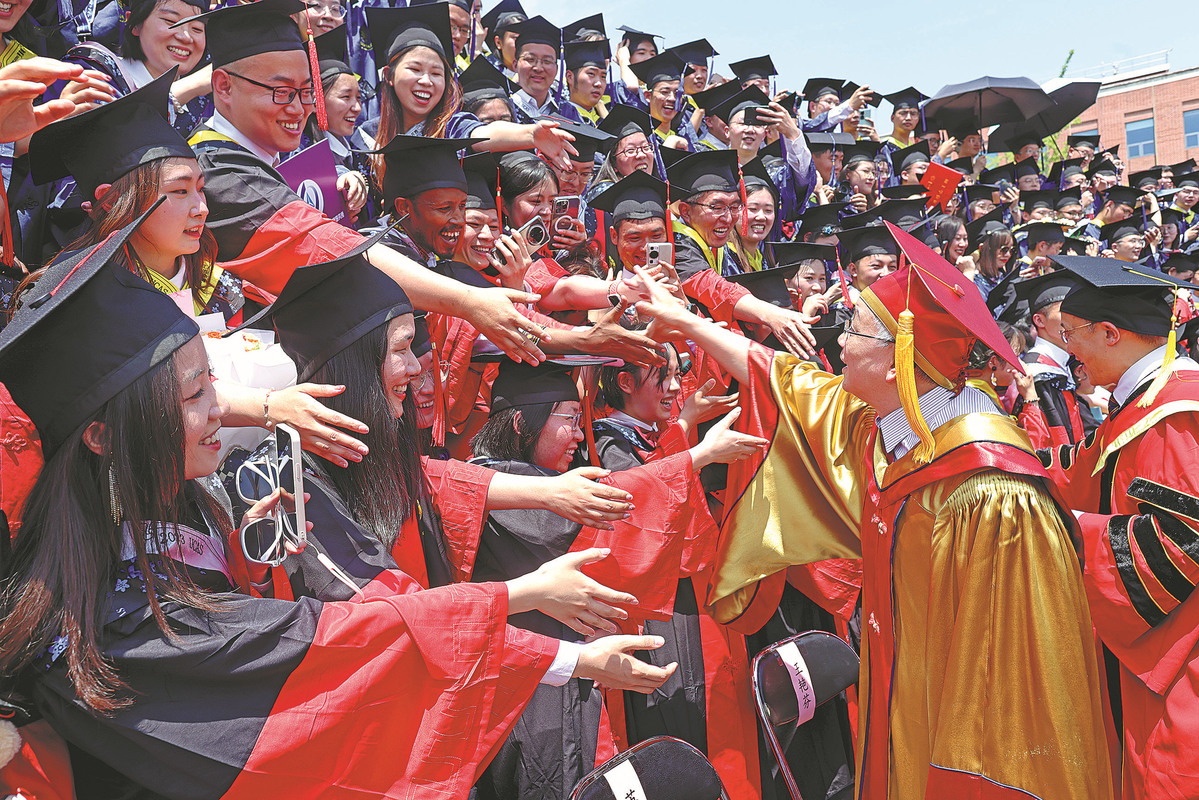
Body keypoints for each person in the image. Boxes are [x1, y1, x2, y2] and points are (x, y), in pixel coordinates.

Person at [0, 216, 670, 799]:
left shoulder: (182, 511)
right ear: (102, 435)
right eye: (194, 396)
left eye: (212, 386)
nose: (225, 411)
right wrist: (529, 613)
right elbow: (327, 643)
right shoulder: (114, 619)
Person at [631, 221, 1114, 799]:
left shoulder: (989, 490)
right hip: (903, 696)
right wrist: (685, 320)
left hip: (968, 743)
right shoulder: (892, 426)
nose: (838, 342)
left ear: (896, 360)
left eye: (854, 329)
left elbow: (1013, 675)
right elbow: (786, 380)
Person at [181, 0, 550, 365]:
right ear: (224, 86)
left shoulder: (266, 159)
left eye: (307, 92)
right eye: (281, 92)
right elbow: (330, 249)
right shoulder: (216, 170)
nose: (298, 108)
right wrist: (468, 301)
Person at [469, 358, 765, 800]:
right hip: (532, 687)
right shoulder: (495, 482)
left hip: (567, 673)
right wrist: (696, 455)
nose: (579, 435)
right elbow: (612, 506)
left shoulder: (538, 478)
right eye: (569, 420)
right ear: (520, 422)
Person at [1037, 255, 1199, 799]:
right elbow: (1081, 469)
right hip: (1158, 649)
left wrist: (1068, 528)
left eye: (1071, 334)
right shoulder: (1142, 400)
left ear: (1110, 333)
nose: (1067, 352)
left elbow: (1183, 540)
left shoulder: (1177, 412)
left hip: (1181, 657)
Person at [666, 149, 817, 356]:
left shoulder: (713, 246)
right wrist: (770, 314)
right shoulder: (677, 242)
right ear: (685, 211)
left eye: (735, 207)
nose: (728, 218)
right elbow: (711, 287)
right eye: (717, 207)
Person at [1014, 270, 1094, 445]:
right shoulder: (1037, 372)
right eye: (1064, 311)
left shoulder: (1062, 365)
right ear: (1039, 320)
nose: (1074, 318)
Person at [504, 15, 583, 124]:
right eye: (530, 59)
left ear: (556, 69)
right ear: (515, 65)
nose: (538, 68)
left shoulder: (568, 113)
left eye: (547, 61)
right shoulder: (503, 106)